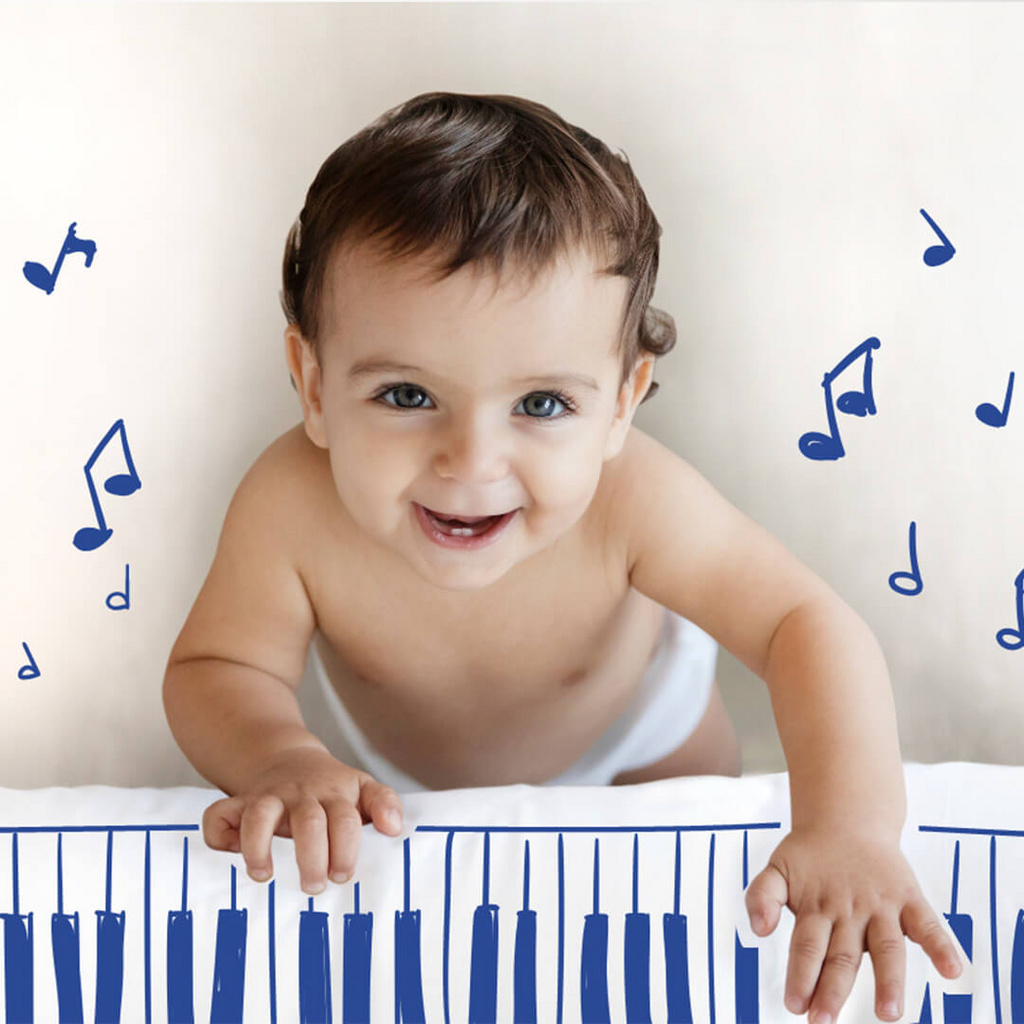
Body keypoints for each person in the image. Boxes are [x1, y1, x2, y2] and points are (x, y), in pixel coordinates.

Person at [162, 91, 961, 1023]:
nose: (470, 460)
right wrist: (278, 755)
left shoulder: (636, 499)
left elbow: (802, 623)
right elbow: (219, 666)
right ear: (312, 383)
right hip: (403, 783)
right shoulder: (288, 503)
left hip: (646, 740)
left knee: (688, 909)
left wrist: (849, 825)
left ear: (623, 401)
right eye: (406, 394)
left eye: (541, 404)